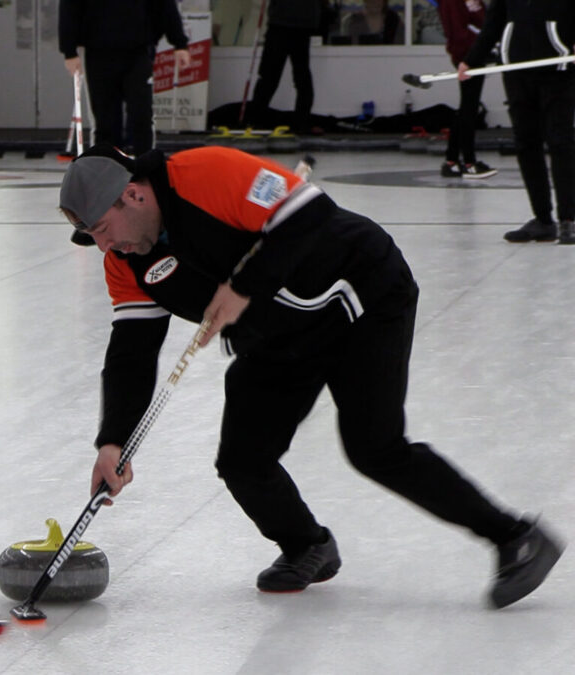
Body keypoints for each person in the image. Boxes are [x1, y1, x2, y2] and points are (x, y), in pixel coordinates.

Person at [58, 143, 564, 608]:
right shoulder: (127, 262)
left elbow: (310, 214)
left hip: (362, 296)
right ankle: (307, 544)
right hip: (278, 334)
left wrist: (242, 287)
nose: (106, 247)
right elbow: (131, 350)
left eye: (103, 229)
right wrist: (113, 442)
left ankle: (517, 538)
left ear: (134, 194)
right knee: (243, 460)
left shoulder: (204, 173)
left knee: (375, 448)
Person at [460, 0, 575, 244]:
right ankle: (543, 220)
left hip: (558, 69)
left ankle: (569, 220)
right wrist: (471, 60)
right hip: (516, 69)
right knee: (526, 144)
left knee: (561, 143)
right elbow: (493, 24)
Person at [58, 0, 191, 155]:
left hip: (138, 51)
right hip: (99, 52)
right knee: (105, 119)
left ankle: (143, 169)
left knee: (141, 114)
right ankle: (107, 168)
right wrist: (69, 51)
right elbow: (70, 7)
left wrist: (179, 43)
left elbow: (165, 5)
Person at [439, 0, 496, 179]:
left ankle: (452, 161)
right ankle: (469, 162)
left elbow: (484, 21)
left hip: (477, 54)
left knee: (467, 106)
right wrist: (469, 58)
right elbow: (457, 32)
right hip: (468, 57)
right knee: (469, 108)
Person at [249, 0, 322, 134]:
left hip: (284, 21)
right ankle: (301, 123)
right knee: (299, 75)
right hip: (300, 21)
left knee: (272, 76)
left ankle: (256, 122)